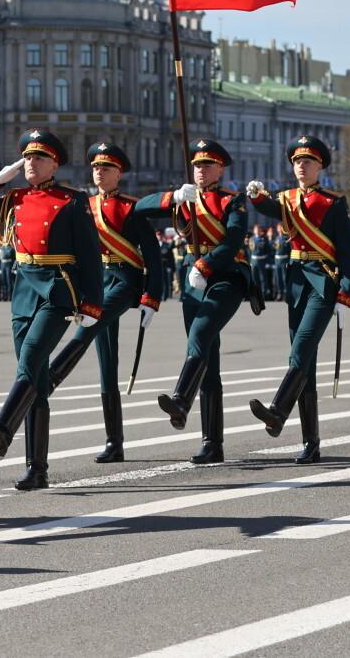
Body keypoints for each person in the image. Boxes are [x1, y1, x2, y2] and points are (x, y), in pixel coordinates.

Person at [0, 129, 103, 490]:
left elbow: (90, 255)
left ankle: (5, 428)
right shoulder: (15, 198)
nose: (31, 163)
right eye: (27, 157)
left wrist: (92, 304)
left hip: (57, 289)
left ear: (55, 163)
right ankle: (36, 469)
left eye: (39, 158)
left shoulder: (73, 200)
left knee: (31, 357)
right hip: (24, 288)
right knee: (37, 382)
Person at [45, 141, 165, 463]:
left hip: (125, 281)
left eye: (106, 168)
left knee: (88, 324)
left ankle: (50, 378)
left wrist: (152, 296)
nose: (100, 172)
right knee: (107, 365)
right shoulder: (85, 205)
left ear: (119, 173)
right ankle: (115, 443)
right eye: (96, 167)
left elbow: (152, 255)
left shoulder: (131, 207)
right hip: (99, 281)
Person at [135, 137, 251, 464]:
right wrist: (172, 196)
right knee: (207, 359)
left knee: (200, 333)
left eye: (207, 165)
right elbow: (138, 208)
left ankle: (182, 399)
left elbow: (232, 242)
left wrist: (206, 264)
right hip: (192, 278)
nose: (200, 170)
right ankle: (212, 442)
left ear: (220, 169)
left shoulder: (233, 200)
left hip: (226, 276)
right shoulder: (186, 198)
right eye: (197, 165)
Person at [246, 134, 350, 464]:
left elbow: (349, 252)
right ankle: (311, 442)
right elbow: (267, 206)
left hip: (324, 282)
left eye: (307, 161)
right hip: (296, 282)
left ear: (320, 165)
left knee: (302, 346)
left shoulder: (333, 202)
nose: (301, 166)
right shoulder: (287, 198)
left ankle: (278, 411)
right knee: (304, 362)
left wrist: (346, 293)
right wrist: (254, 195)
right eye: (296, 161)